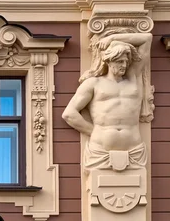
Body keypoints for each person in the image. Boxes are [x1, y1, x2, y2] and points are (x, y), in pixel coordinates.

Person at [62, 32, 153, 171]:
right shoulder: (93, 84)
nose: (124, 65)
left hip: (135, 151)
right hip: (99, 152)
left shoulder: (134, 79)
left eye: (126, 61)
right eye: (120, 61)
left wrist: (113, 38)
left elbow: (147, 39)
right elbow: (69, 114)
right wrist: (96, 132)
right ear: (109, 61)